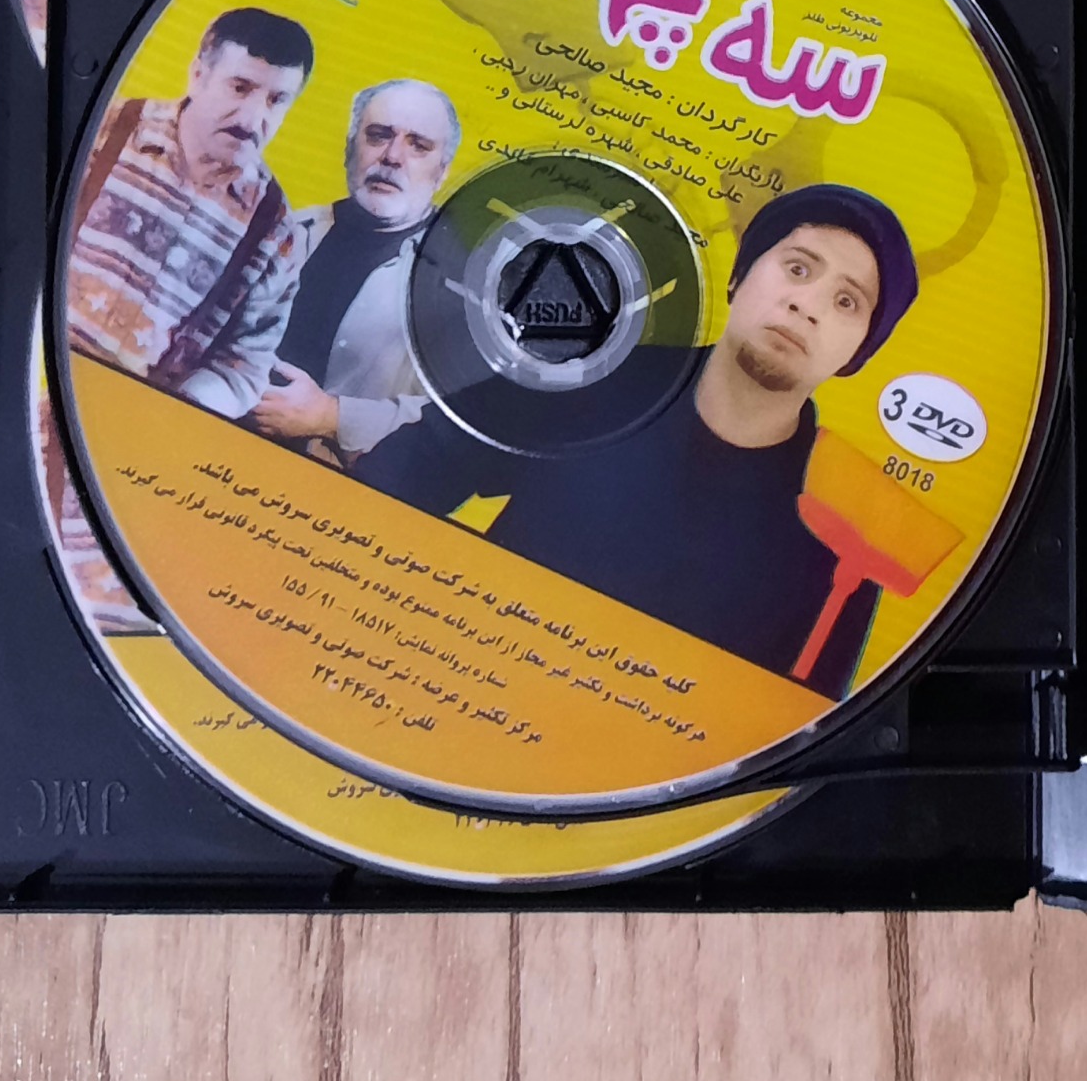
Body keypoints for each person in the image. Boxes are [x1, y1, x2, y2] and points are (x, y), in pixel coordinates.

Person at [360, 184, 920, 700]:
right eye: (797, 268)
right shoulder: (599, 371)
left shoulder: (843, 535)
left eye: (847, 302)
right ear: (739, 277)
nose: (807, 305)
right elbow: (416, 465)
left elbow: (797, 721)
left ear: (859, 352)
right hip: (460, 691)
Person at [66, 7, 314, 416]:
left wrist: (177, 411)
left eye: (276, 100)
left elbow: (242, 367)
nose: (253, 118)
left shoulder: (276, 232)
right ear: (198, 76)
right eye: (240, 88)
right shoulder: (100, 129)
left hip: (128, 429)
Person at [250, 78, 460, 465]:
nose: (392, 156)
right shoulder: (283, 230)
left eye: (418, 145)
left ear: (442, 171)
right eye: (378, 135)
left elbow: (455, 427)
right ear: (350, 148)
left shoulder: (460, 287)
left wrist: (331, 417)